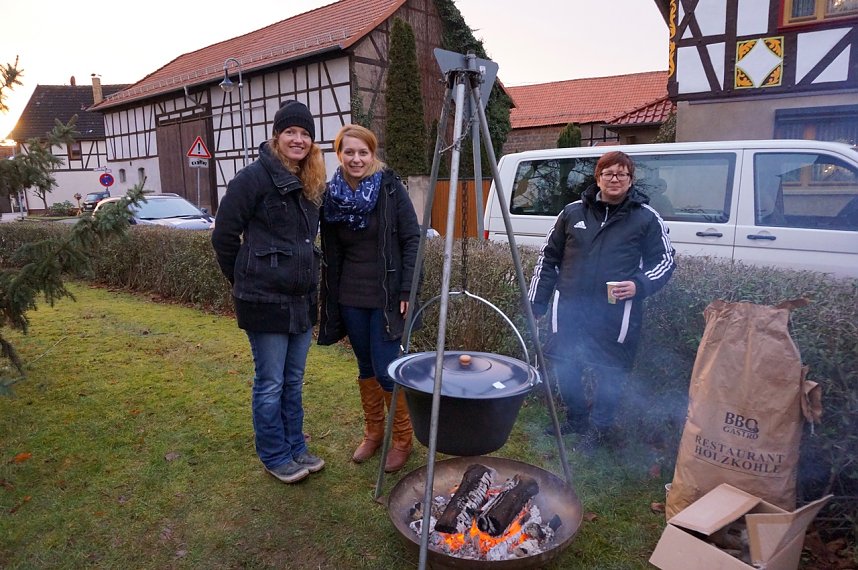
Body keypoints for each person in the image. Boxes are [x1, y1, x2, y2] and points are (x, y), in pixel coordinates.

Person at [211, 100, 327, 484]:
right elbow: (224, 236)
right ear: (276, 136)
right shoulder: (253, 179)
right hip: (263, 301)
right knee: (271, 382)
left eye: (305, 134)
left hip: (301, 301)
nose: (298, 140)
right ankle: (274, 454)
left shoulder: (310, 182)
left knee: (293, 381)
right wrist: (245, 279)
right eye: (291, 132)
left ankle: (296, 447)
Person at [528, 150, 676, 453]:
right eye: (608, 173)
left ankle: (599, 429)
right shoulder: (571, 213)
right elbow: (548, 258)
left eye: (622, 174)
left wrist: (638, 285)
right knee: (565, 366)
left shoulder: (646, 218)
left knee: (610, 372)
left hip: (616, 313)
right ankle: (577, 419)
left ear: (630, 180)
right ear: (598, 178)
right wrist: (537, 302)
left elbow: (665, 261)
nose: (615, 179)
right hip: (569, 308)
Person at [317, 124, 421, 473]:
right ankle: (374, 432)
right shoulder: (330, 194)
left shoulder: (390, 188)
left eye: (363, 152)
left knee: (387, 368)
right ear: (339, 154)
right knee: (365, 367)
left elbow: (412, 239)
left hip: (387, 295)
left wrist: (407, 288)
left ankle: (403, 439)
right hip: (350, 295)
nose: (356, 158)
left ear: (372, 154)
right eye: (349, 152)